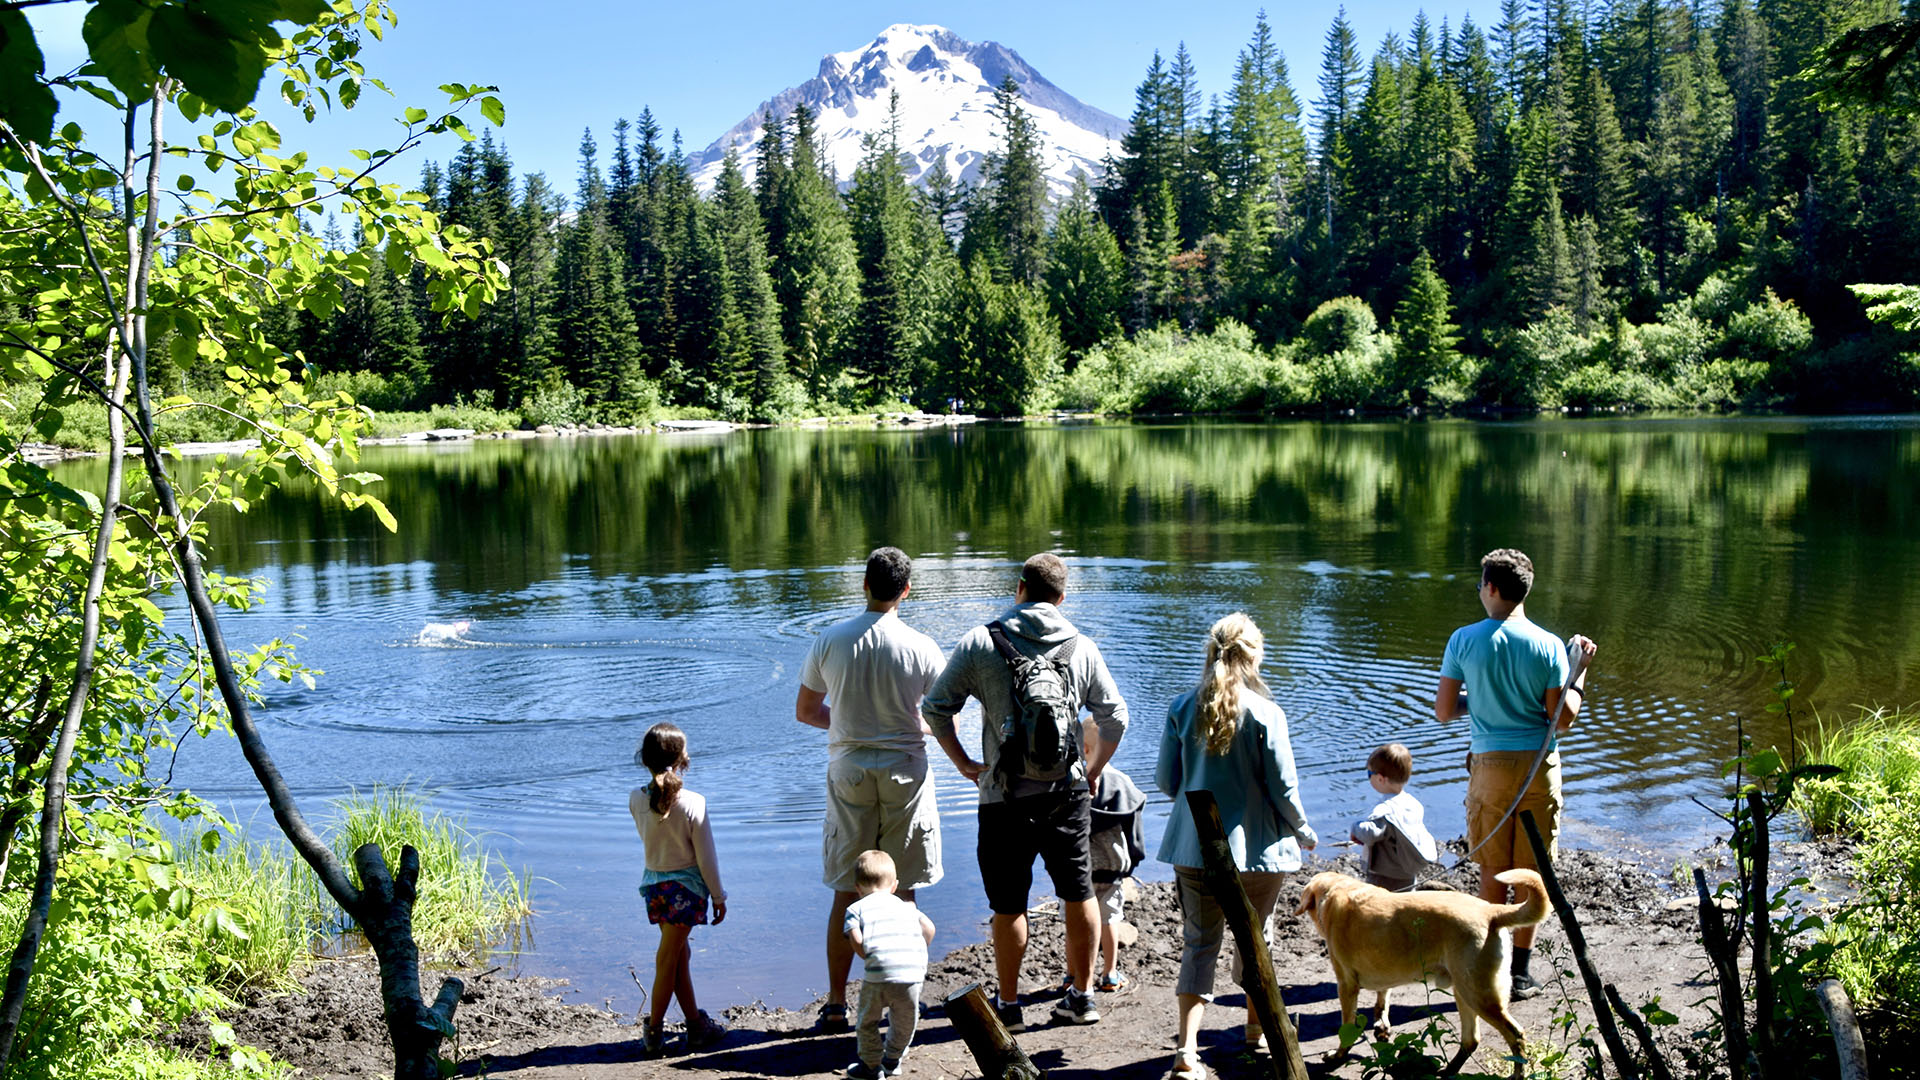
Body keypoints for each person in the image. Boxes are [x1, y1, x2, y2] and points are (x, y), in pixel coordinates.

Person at [923, 552, 1129, 1032]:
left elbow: (936, 709)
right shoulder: (1081, 646)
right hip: (1068, 793)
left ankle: (1010, 1006)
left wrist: (964, 764)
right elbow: (1116, 717)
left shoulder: (981, 640)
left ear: (1019, 588)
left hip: (1003, 796)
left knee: (1008, 903)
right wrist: (1093, 769)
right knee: (1079, 894)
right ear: (1061, 598)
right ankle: (1080, 998)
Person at [1157, 612, 1316, 1080]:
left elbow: (1168, 783)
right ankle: (1256, 1032)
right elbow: (1284, 789)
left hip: (1195, 848)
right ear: (1254, 654)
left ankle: (1186, 1052)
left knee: (1198, 943)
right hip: (1259, 853)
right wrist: (1304, 831)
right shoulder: (1268, 713)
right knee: (1256, 938)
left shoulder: (1182, 707)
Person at [796, 547, 947, 1031]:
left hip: (850, 770)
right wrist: (914, 728)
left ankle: (837, 1004)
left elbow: (806, 710)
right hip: (906, 769)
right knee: (902, 892)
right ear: (906, 590)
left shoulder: (830, 640)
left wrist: (845, 726)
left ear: (863, 584)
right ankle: (904, 997)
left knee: (847, 890)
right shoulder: (921, 645)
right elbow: (943, 716)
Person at [1435, 548, 1596, 1000]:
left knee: (1493, 870)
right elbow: (1560, 719)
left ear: (1490, 588)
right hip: (1537, 770)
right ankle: (1521, 975)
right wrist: (1579, 675)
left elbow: (1445, 711)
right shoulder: (1548, 644)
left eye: (1479, 585)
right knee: (1531, 874)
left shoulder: (1463, 640)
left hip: (1489, 769)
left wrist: (1480, 701)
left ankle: (1489, 968)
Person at [629, 722, 729, 1056]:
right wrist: (718, 895)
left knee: (679, 956)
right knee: (670, 957)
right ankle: (654, 1031)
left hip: (655, 887)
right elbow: (706, 858)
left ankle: (696, 1027)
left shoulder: (635, 799)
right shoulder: (694, 802)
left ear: (644, 759)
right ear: (683, 758)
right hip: (686, 892)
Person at [841, 850, 937, 1080]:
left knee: (867, 1021)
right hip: (912, 973)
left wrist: (868, 956)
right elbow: (929, 929)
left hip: (878, 974)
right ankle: (892, 1060)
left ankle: (871, 1066)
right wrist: (916, 950)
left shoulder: (856, 908)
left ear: (858, 887)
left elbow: (855, 937)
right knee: (905, 1020)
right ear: (894, 885)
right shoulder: (908, 907)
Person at [1085, 720, 1145, 992]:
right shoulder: (1122, 782)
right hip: (1112, 866)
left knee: (1076, 920)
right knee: (1110, 919)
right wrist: (1133, 861)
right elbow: (1135, 830)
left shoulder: (1071, 782)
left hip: (1078, 870)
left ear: (1083, 748)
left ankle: (1073, 974)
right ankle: (1109, 973)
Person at [1350, 743, 1438, 893]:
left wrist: (1356, 827)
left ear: (1380, 779)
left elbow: (1371, 833)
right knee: (1406, 902)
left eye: (1369, 774)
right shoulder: (1413, 803)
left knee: (1379, 906)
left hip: (1385, 874)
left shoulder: (1385, 810)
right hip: (1407, 871)